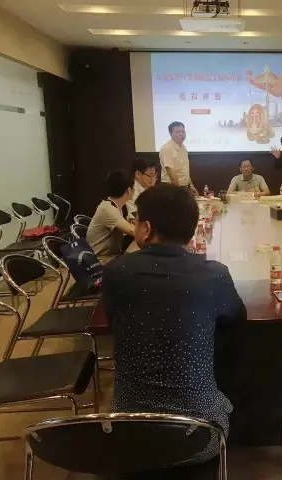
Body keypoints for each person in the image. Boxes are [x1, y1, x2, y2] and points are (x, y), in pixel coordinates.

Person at [103, 183, 246, 468]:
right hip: (202, 435)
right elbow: (235, 320)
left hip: (130, 433)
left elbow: (113, 322)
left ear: (146, 228)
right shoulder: (214, 275)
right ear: (191, 230)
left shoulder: (117, 271)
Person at [86, 170, 135, 264]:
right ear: (129, 190)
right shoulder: (107, 209)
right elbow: (132, 231)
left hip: (111, 255)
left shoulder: (117, 206)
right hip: (101, 260)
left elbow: (132, 224)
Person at [159, 121, 199, 195]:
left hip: (183, 188)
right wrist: (180, 192)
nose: (181, 134)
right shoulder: (167, 149)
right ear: (170, 134)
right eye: (178, 132)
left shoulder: (183, 147)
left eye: (183, 131)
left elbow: (185, 169)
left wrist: (191, 185)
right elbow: (171, 172)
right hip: (171, 189)